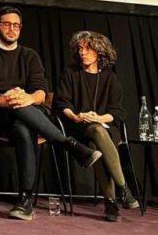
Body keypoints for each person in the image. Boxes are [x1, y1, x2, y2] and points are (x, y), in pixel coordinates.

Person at [0, 6, 103, 220]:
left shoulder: (29, 55)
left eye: (16, 25)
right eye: (7, 24)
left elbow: (41, 91)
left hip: (28, 115)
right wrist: (2, 99)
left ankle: (24, 201)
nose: (12, 29)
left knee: (23, 128)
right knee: (20, 113)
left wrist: (27, 98)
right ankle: (66, 144)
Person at [54, 31, 139, 222]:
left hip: (106, 128)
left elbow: (116, 113)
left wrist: (99, 117)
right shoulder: (70, 73)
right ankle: (123, 188)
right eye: (80, 48)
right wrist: (75, 116)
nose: (82, 52)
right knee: (95, 133)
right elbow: (61, 104)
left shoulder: (110, 78)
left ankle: (111, 202)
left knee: (97, 138)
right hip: (76, 127)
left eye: (87, 48)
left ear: (100, 52)